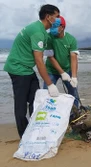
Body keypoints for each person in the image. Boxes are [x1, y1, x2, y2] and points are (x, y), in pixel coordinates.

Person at [3, 4, 61, 138]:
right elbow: (40, 61)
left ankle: (35, 128)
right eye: (57, 16)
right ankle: (24, 136)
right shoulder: (37, 32)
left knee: (35, 100)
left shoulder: (41, 31)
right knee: (21, 104)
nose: (58, 19)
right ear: (48, 17)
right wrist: (50, 84)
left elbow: (47, 54)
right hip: (18, 68)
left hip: (27, 69)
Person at [43, 16, 80, 107]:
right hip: (51, 70)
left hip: (67, 69)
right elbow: (51, 57)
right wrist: (62, 73)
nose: (52, 29)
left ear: (62, 27)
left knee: (74, 93)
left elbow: (73, 58)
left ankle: (75, 112)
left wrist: (74, 77)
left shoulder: (71, 39)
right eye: (51, 26)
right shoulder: (48, 37)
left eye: (55, 27)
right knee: (46, 93)